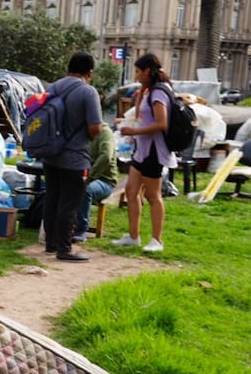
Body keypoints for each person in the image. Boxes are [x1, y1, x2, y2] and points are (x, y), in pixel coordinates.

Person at [40, 52, 103, 262]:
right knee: (69, 203)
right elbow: (95, 127)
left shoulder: (52, 88)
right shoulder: (88, 92)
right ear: (89, 72)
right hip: (75, 157)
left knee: (52, 198)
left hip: (50, 154)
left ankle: (50, 244)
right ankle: (64, 248)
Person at [113, 52, 175, 253]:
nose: (137, 76)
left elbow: (161, 123)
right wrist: (140, 97)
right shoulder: (148, 92)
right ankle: (133, 236)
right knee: (132, 191)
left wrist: (134, 131)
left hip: (154, 150)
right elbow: (141, 116)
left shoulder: (159, 93)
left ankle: (157, 239)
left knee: (153, 195)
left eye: (139, 71)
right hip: (142, 149)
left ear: (149, 70)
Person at [73, 121, 116, 243]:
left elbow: (106, 156)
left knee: (86, 190)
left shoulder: (105, 133)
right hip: (82, 174)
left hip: (105, 181)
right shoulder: (80, 130)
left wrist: (90, 178)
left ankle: (81, 229)